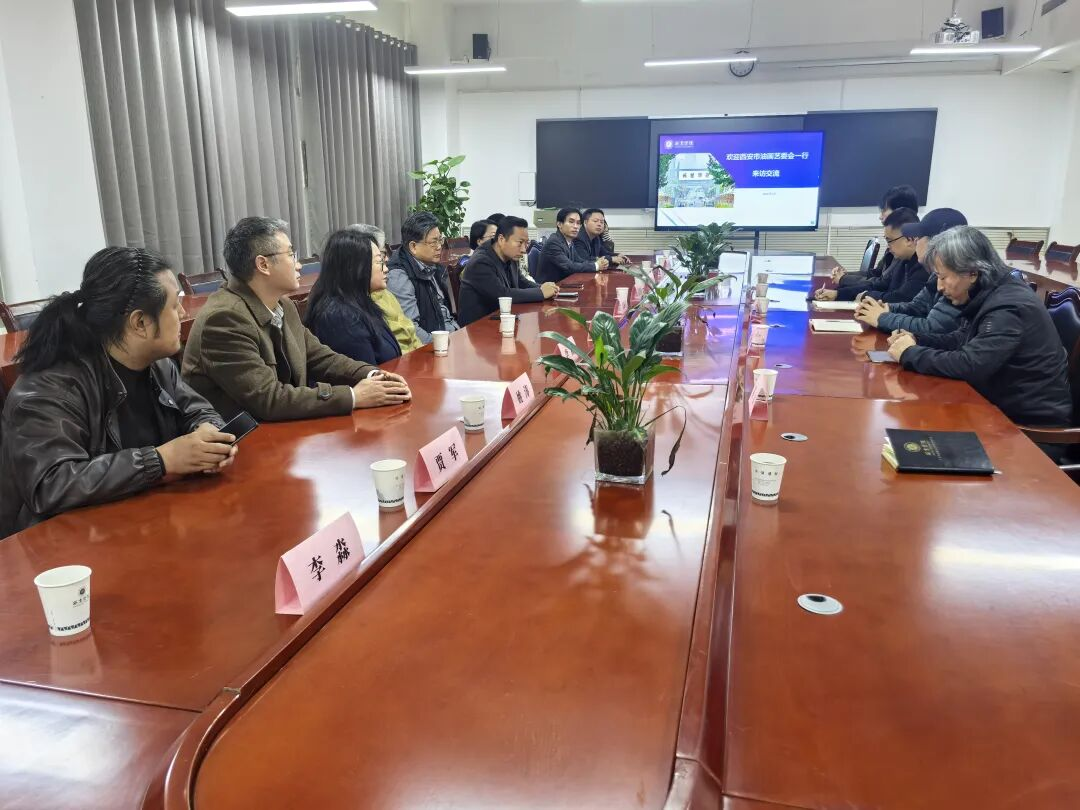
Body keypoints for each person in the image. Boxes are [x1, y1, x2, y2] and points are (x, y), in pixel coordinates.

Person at [0, 247, 236, 536]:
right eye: (174, 306)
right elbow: (52, 483)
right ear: (140, 323)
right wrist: (160, 460)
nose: (183, 313)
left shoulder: (158, 364)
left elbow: (197, 409)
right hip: (65, 543)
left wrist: (209, 435)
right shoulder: (49, 388)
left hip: (141, 521)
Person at [182, 216, 411, 421]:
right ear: (263, 264)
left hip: (282, 428)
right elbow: (268, 399)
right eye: (292, 255)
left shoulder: (283, 305)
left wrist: (373, 374)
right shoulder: (225, 319)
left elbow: (321, 357)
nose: (299, 264)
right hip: (243, 441)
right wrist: (353, 396)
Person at [887, 226, 1072, 428]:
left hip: (1027, 426)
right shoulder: (988, 291)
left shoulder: (1008, 307)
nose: (939, 287)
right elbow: (962, 339)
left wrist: (910, 353)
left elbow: (971, 365)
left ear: (972, 273)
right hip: (995, 410)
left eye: (943, 277)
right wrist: (917, 339)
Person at [855, 208, 967, 335]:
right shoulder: (936, 273)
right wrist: (887, 308)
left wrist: (881, 318)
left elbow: (932, 327)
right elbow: (917, 306)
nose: (915, 242)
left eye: (918, 238)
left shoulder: (959, 278)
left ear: (938, 242)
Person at [305, 229, 402, 365]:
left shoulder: (360, 301)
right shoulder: (340, 317)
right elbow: (365, 372)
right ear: (356, 267)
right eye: (379, 262)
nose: (386, 269)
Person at [458, 216, 559, 325]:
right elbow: (502, 294)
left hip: (503, 319)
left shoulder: (509, 254)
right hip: (479, 326)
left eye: (526, 243)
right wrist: (541, 293)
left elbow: (521, 282)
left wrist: (545, 288)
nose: (524, 250)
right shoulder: (480, 262)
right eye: (520, 243)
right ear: (501, 239)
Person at [818, 209, 926, 303]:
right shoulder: (903, 260)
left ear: (910, 239)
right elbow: (879, 285)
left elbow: (900, 298)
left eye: (890, 241)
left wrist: (865, 296)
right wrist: (838, 294)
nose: (888, 246)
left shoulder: (923, 266)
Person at [347, 223, 423, 354]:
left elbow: (411, 332)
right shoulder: (355, 306)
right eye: (381, 255)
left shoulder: (385, 293)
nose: (387, 259)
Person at [385, 211, 459, 344]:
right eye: (433, 242)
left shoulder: (432, 265)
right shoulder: (399, 276)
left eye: (440, 240)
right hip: (432, 346)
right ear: (413, 246)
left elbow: (445, 311)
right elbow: (411, 329)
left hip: (450, 335)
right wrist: (439, 344)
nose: (439, 247)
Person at [833, 185, 920, 287]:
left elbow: (882, 283)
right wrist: (845, 275)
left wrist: (844, 279)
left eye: (884, 210)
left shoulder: (908, 251)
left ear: (900, 211)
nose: (880, 216)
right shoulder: (896, 243)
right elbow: (876, 273)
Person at [536, 207, 607, 284]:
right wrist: (596, 266)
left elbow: (580, 261)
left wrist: (598, 262)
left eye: (578, 223)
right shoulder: (554, 242)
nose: (576, 226)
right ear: (559, 224)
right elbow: (569, 267)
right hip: (550, 287)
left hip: (565, 284)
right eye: (571, 222)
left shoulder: (569, 241)